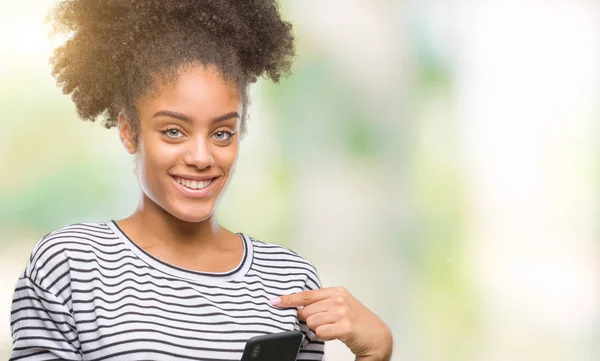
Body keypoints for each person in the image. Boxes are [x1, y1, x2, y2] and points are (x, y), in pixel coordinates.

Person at [9, 1, 393, 360]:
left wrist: (376, 352)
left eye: (222, 133)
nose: (201, 157)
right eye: (173, 131)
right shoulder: (72, 264)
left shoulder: (289, 278)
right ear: (129, 132)